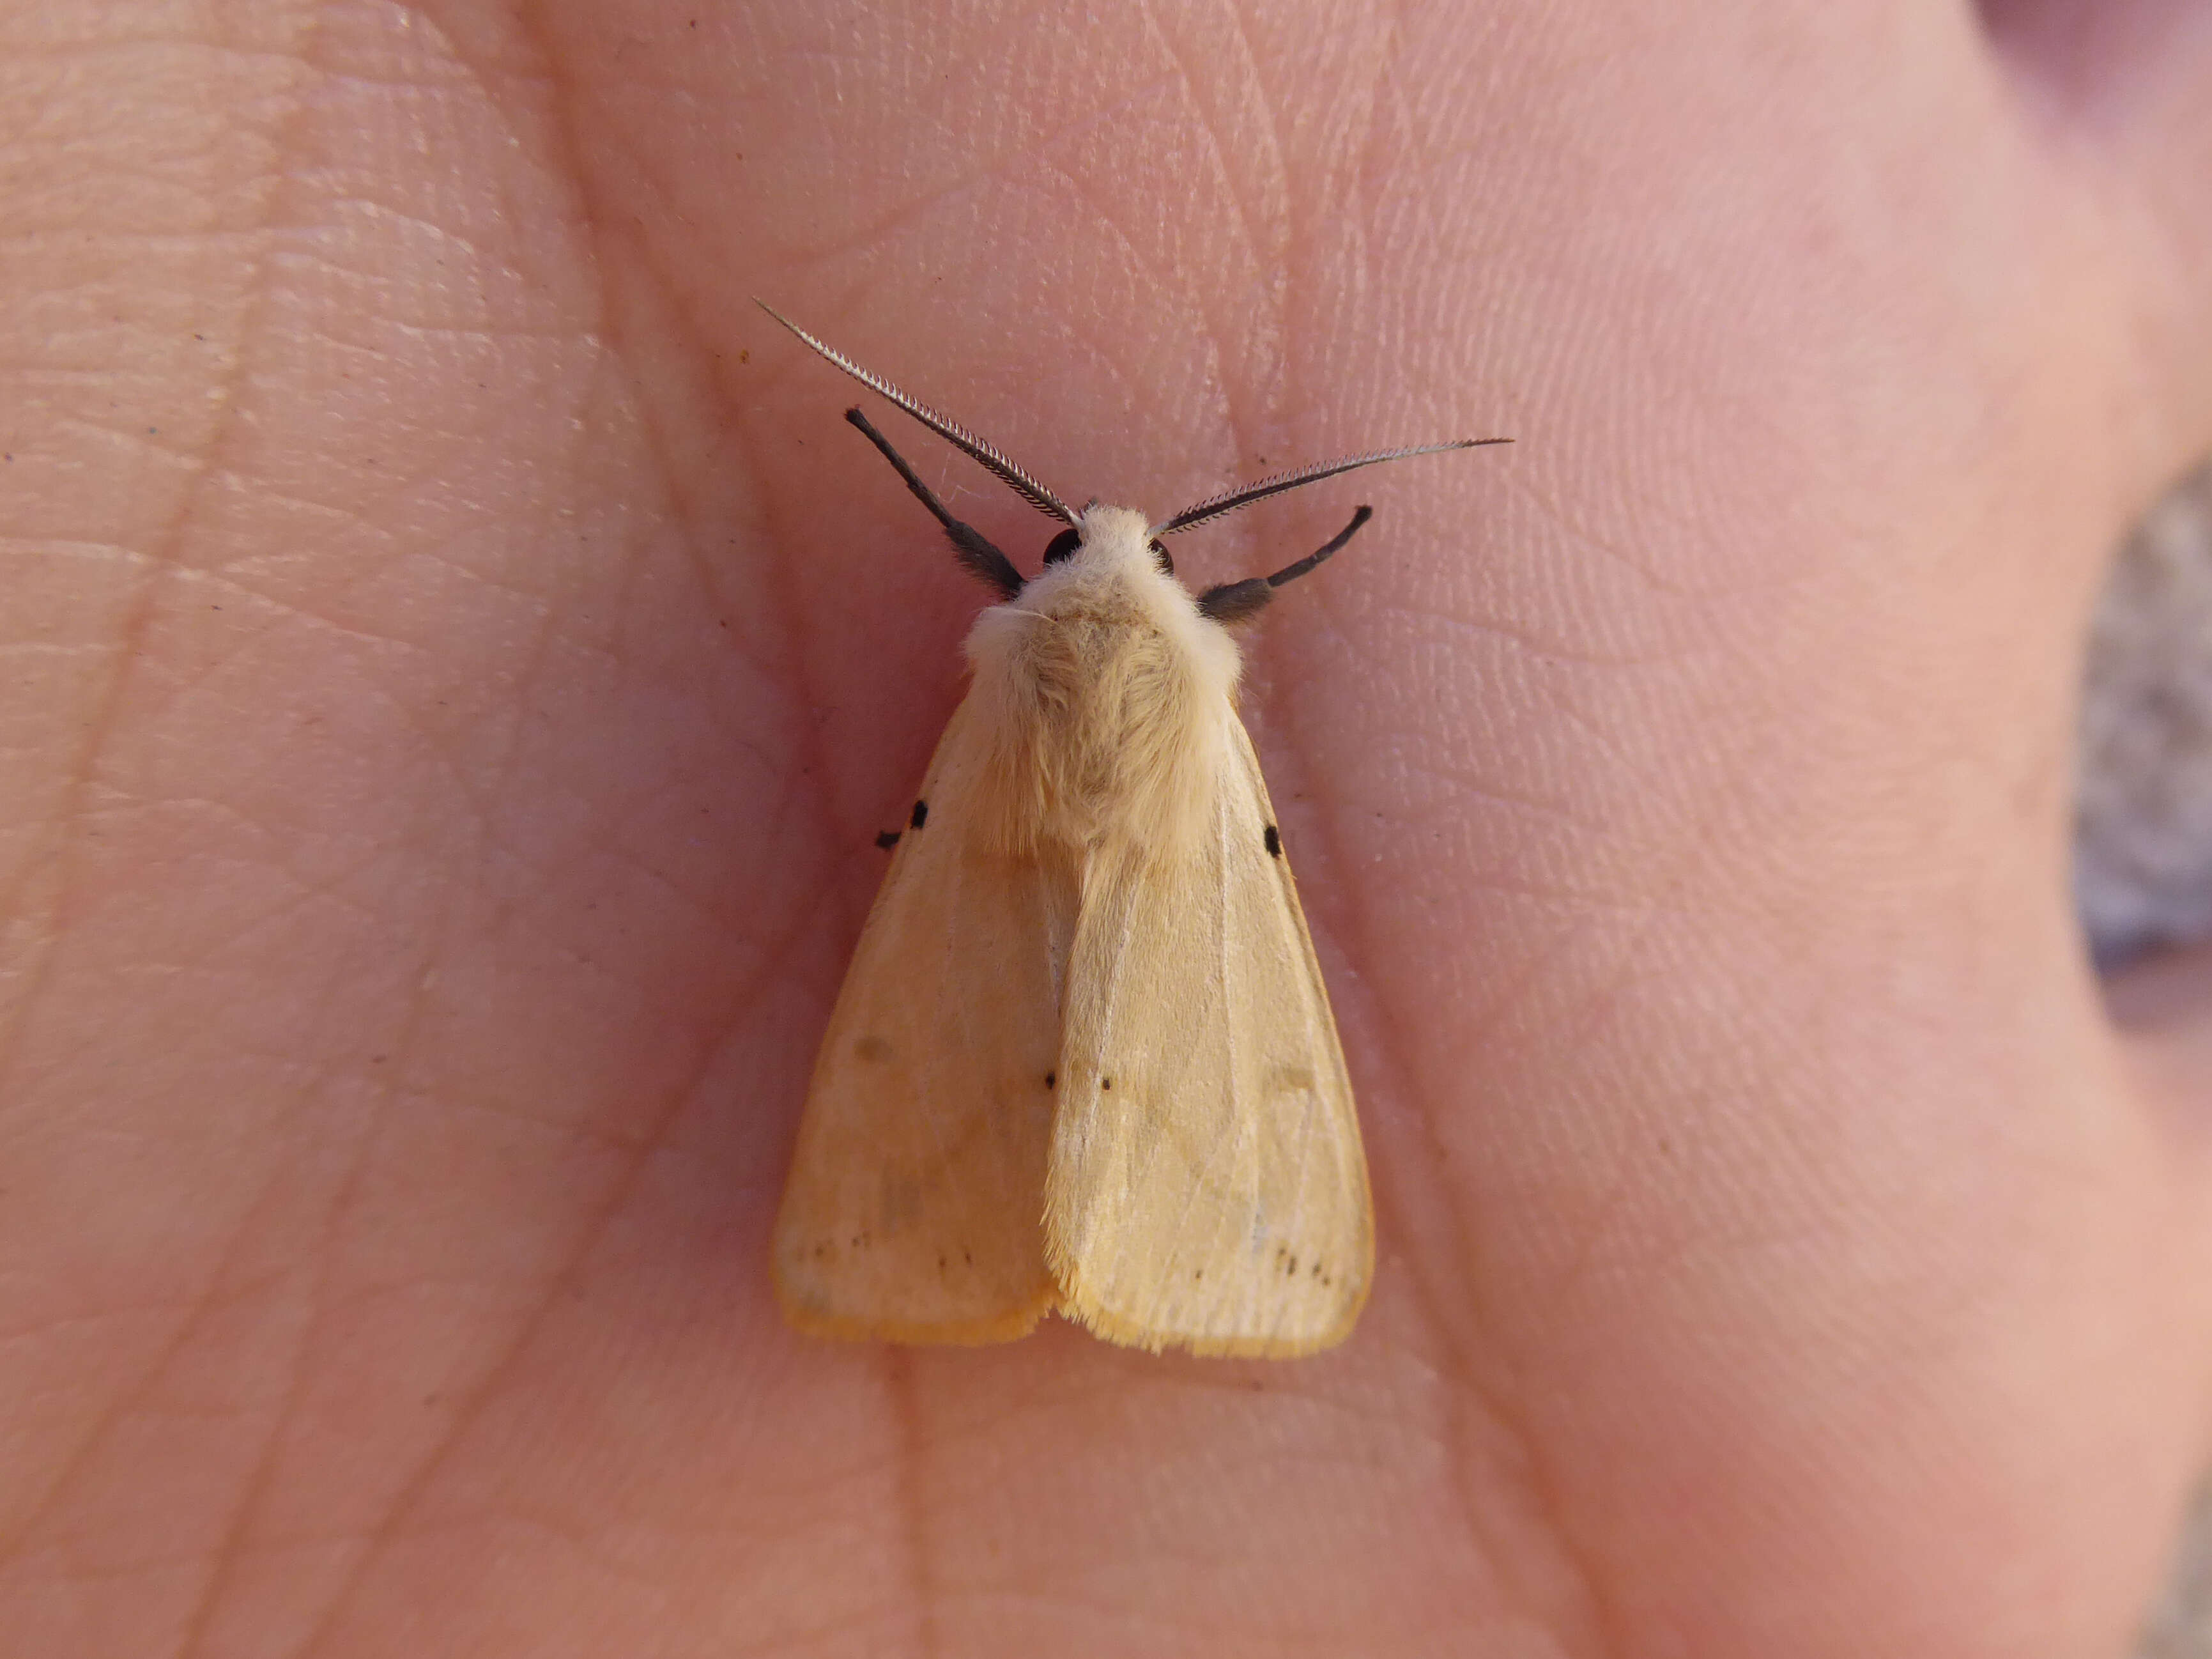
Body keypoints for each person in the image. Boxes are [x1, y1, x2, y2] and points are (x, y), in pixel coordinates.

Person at [3, 3, 2208, 1654]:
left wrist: (951, 473)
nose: (1117, 556)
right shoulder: (1195, 670)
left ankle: (970, 1237)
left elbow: (1001, 560)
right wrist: (1315, 542)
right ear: (1191, 620)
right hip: (1190, 894)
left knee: (938, 942)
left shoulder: (1019, 648)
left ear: (1040, 597)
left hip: (959, 896)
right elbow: (1225, 586)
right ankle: (1147, 1248)